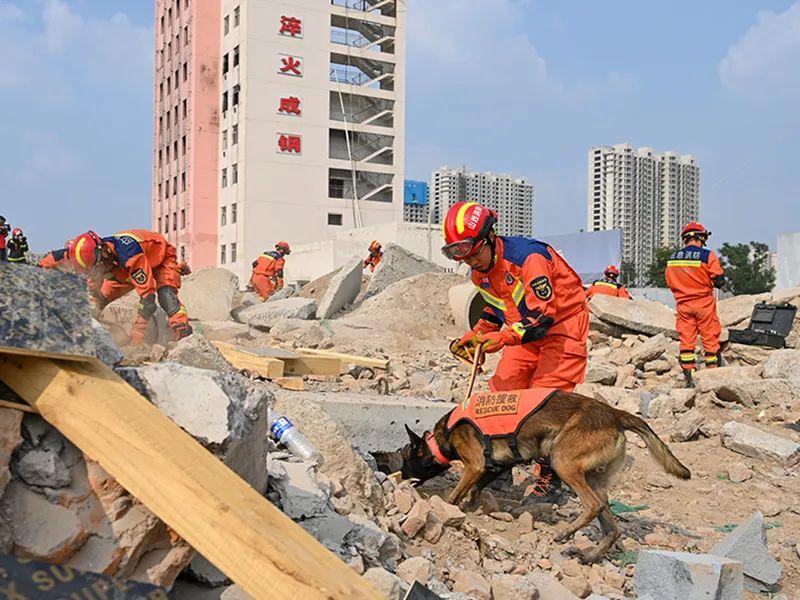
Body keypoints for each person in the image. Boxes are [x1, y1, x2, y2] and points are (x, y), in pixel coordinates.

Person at [446, 202, 590, 393]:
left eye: (476, 254)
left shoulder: (528, 259)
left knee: (544, 401)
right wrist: (478, 335)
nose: (472, 262)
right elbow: (496, 308)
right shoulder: (480, 274)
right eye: (466, 259)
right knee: (502, 395)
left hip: (561, 328)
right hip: (524, 333)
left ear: (490, 236)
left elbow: (543, 317)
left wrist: (504, 338)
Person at [67, 230, 192, 345]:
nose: (100, 271)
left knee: (166, 296)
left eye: (100, 266)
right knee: (99, 301)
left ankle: (182, 331)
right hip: (123, 269)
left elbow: (148, 298)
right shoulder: (98, 261)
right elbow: (93, 293)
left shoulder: (129, 253)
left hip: (160, 259)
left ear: (105, 251)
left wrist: (138, 332)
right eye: (95, 269)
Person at [665, 222, 725, 388]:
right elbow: (719, 280)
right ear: (702, 237)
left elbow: (669, 281)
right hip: (704, 304)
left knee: (686, 340)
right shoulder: (707, 256)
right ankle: (712, 373)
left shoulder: (672, 258)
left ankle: (689, 376)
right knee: (710, 339)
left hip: (683, 305)